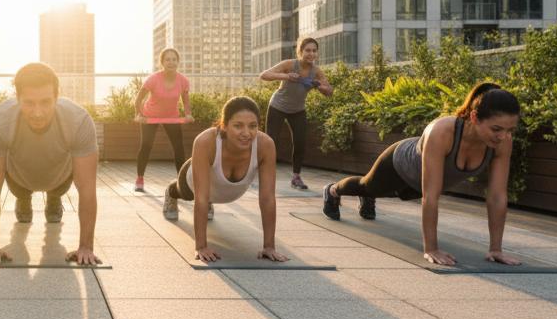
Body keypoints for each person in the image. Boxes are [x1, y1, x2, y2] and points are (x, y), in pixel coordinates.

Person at [321, 82, 522, 267]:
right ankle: (332, 191)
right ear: (474, 117)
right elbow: (431, 196)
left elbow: (496, 196)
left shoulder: (502, 142)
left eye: (509, 130)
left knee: (399, 194)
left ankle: (368, 198)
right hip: (398, 165)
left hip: (416, 186)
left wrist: (496, 249)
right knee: (367, 186)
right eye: (496, 129)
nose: (503, 136)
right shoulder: (442, 131)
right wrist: (431, 248)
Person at [0, 62, 101, 266]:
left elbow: (87, 187)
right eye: (29, 103)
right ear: (17, 99)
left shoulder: (78, 121)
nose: (38, 112)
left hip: (59, 179)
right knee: (21, 193)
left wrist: (86, 247)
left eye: (45, 102)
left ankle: (54, 199)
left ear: (56, 97)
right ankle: (23, 200)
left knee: (57, 190)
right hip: (19, 180)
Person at [162, 96, 287, 263]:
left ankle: (209, 201)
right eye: (238, 126)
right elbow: (200, 198)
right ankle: (170, 192)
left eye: (252, 126)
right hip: (193, 182)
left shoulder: (265, 145)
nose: (246, 133)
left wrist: (269, 246)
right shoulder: (206, 141)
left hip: (224, 191)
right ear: (224, 125)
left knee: (207, 198)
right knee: (184, 192)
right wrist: (201, 246)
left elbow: (267, 198)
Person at [260, 36, 333, 190]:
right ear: (300, 51)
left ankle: (296, 177)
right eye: (307, 50)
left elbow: (329, 91)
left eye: (314, 51)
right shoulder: (290, 64)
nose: (311, 54)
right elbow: (264, 75)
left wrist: (319, 86)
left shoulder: (316, 71)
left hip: (298, 110)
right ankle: (265, 175)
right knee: (270, 142)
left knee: (300, 143)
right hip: (278, 106)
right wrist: (286, 76)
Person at [132, 47, 193, 192]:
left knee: (179, 147)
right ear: (162, 62)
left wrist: (188, 114)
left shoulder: (183, 81)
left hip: (171, 117)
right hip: (150, 116)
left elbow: (185, 100)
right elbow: (139, 99)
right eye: (167, 59)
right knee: (146, 145)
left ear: (178, 62)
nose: (171, 62)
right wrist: (138, 114)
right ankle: (139, 179)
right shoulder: (153, 79)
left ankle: (181, 181)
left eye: (174, 59)